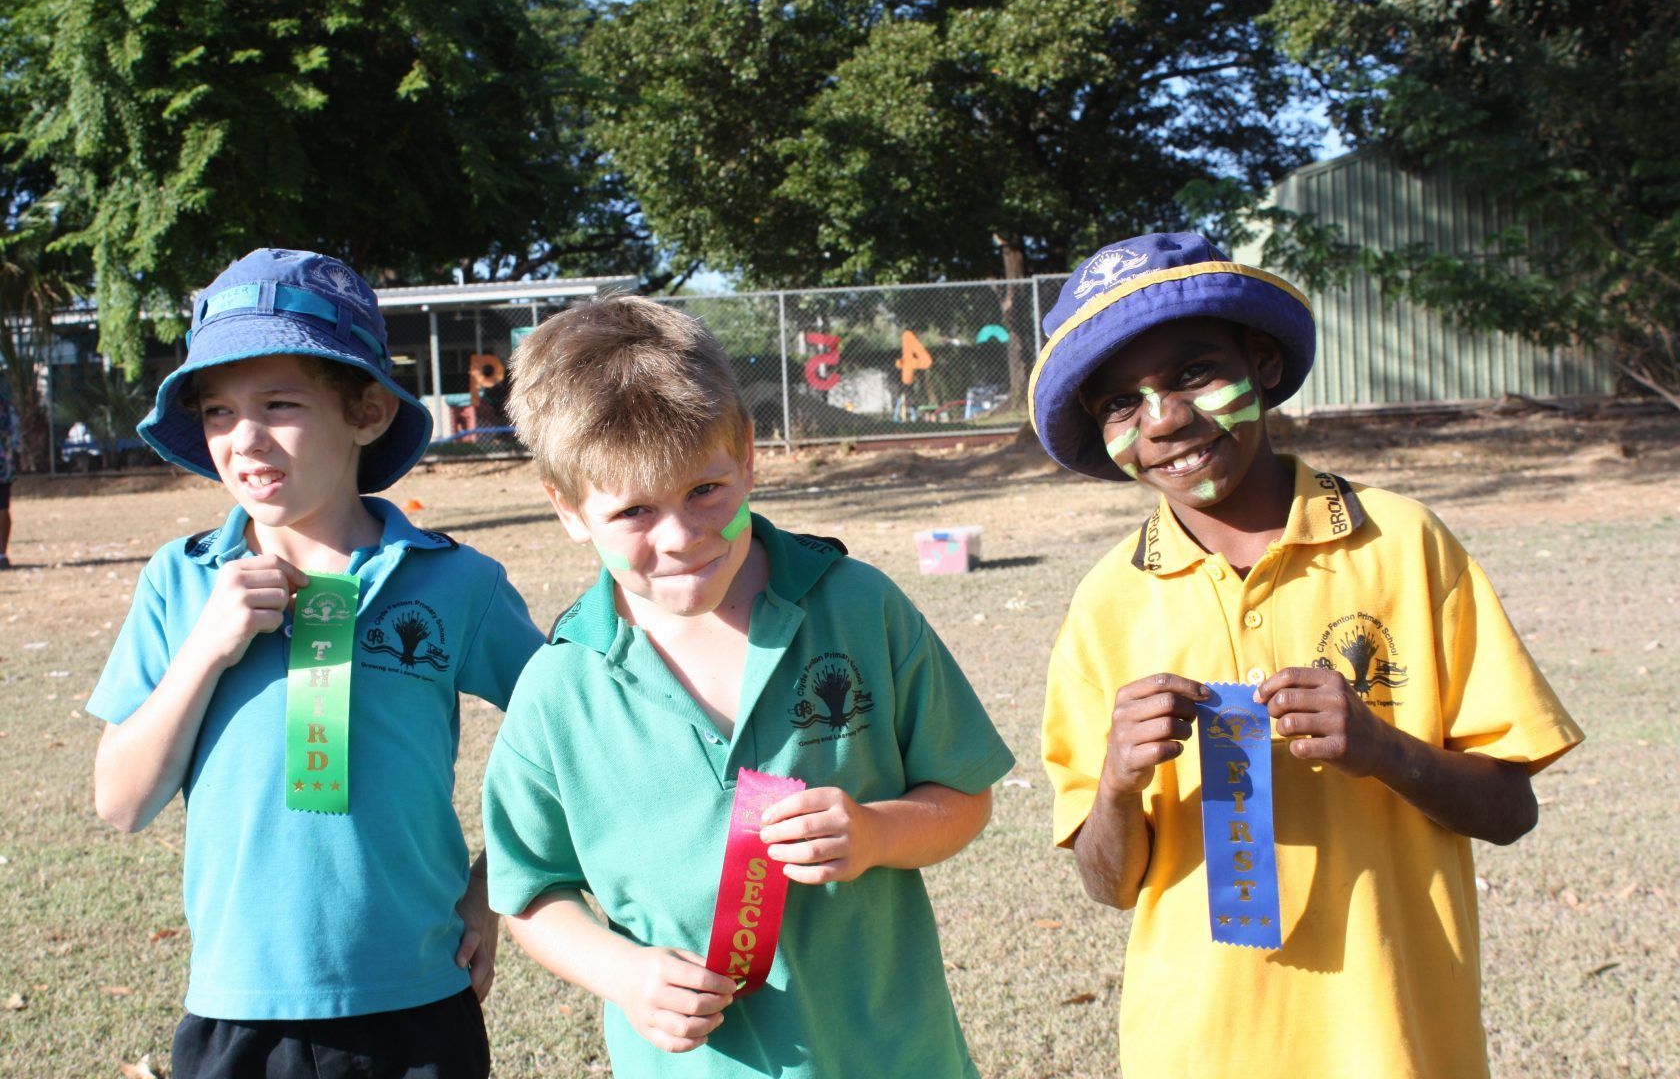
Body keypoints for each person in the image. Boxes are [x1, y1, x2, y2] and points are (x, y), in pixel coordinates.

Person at [1033, 233, 1583, 1079]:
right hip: (1194, 1048)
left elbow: (1511, 812)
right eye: (1120, 402)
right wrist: (1115, 782)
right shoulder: (1109, 601)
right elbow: (1107, 884)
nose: (1165, 419)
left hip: (1397, 1043)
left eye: (1191, 372)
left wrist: (1382, 749)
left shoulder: (1403, 544)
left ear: (1260, 361)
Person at [482, 296, 1014, 1078]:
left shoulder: (860, 608)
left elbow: (964, 797)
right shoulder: (561, 687)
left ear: (749, 458)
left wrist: (875, 834)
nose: (681, 538)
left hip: (895, 1054)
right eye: (633, 510)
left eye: (707, 491)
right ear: (567, 509)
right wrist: (621, 974)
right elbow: (531, 891)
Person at [88, 249, 544, 1079]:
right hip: (238, 1011)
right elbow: (121, 803)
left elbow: (573, 740)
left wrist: (490, 887)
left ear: (367, 411)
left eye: (281, 404)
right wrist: (207, 649)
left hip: (420, 1004)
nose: (245, 439)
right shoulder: (180, 580)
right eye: (219, 412)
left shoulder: (455, 583)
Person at [0, 374, 18, 568]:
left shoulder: (3, 406)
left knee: (2, 508)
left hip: (2, 467)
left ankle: (2, 554)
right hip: (5, 466)